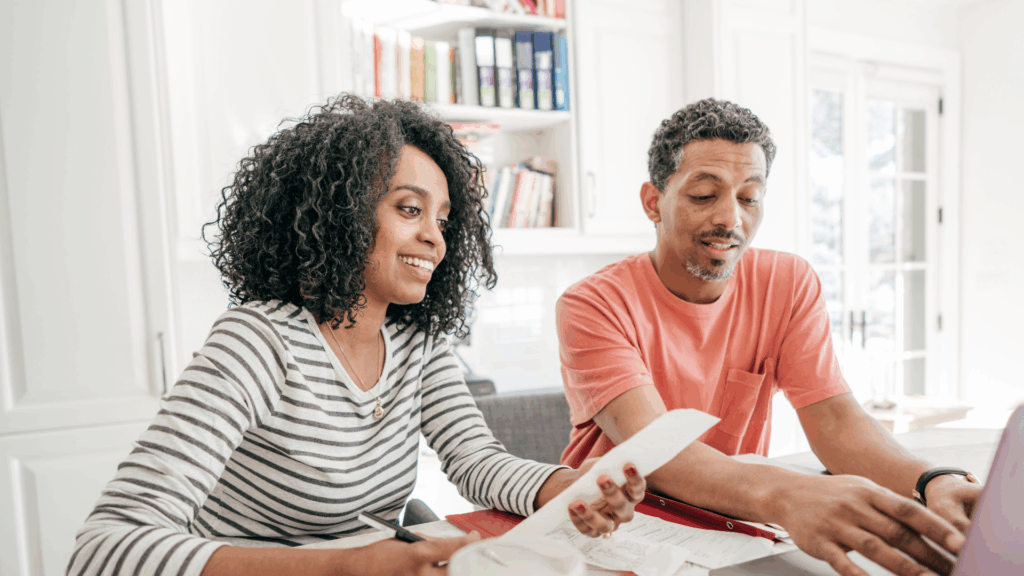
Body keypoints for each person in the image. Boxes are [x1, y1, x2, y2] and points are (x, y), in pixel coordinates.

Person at [67, 95, 647, 576]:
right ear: (339, 213)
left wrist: (570, 486)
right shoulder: (259, 342)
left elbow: (476, 461)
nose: (436, 240)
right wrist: (347, 566)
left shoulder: (417, 343)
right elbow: (104, 546)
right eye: (409, 209)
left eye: (442, 219)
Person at [556, 98, 982, 576]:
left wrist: (931, 480)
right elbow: (659, 454)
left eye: (748, 197)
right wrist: (790, 493)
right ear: (654, 202)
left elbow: (835, 422)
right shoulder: (592, 303)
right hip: (611, 528)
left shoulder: (788, 281)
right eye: (703, 195)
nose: (730, 219)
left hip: (728, 527)